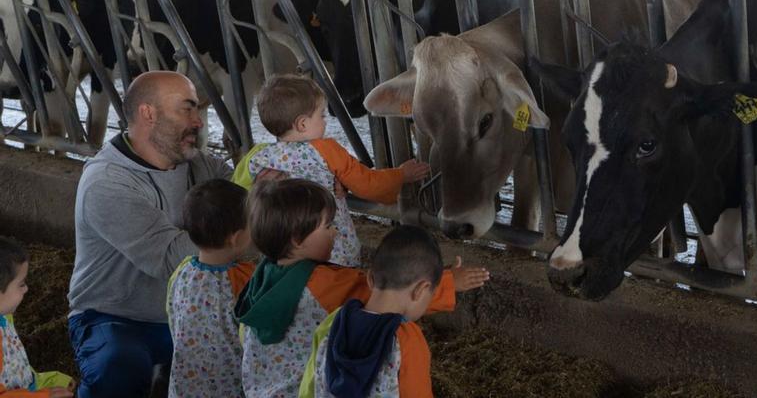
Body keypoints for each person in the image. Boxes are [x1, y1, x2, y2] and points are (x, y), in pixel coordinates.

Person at [234, 179, 488, 397]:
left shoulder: (260, 277)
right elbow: (391, 292)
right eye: (327, 226)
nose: (335, 232)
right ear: (297, 240)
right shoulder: (322, 283)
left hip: (262, 388)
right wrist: (448, 283)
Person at [68, 72, 232, 398]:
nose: (198, 122)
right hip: (114, 317)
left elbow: (249, 191)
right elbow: (171, 258)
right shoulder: (107, 182)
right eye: (187, 109)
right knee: (118, 367)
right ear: (149, 114)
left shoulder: (200, 165)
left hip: (190, 313)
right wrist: (241, 221)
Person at [232, 74, 431, 267]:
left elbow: (237, 195)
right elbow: (367, 183)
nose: (325, 121)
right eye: (322, 115)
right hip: (331, 251)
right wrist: (401, 175)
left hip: (283, 250)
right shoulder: (327, 151)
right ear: (302, 124)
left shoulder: (257, 156)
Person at [299, 225, 485, 398]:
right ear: (420, 290)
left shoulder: (334, 321)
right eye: (431, 294)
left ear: (370, 278)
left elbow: (309, 384)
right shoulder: (406, 339)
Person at [166, 179, 254, 398]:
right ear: (236, 238)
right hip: (231, 387)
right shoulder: (243, 279)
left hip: (185, 385)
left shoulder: (183, 270)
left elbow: (172, 314)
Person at [0, 237, 75, 397]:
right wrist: (44, 395)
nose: (26, 289)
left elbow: (14, 367)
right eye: (21, 284)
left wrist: (53, 381)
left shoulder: (5, 319)